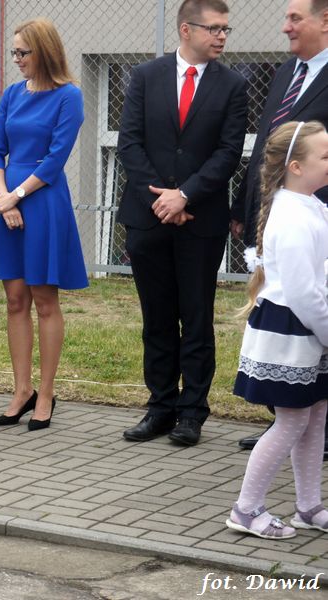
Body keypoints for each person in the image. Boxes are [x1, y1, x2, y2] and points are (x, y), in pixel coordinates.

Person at [117, 0, 248, 446]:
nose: (222, 36)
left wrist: (185, 195)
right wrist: (161, 200)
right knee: (156, 317)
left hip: (199, 219)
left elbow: (228, 152)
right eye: (214, 28)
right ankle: (160, 408)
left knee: (196, 317)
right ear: (186, 29)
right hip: (148, 216)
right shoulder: (145, 76)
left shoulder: (232, 85)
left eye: (226, 29)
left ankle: (192, 412)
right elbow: (129, 143)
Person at [0, 18, 88, 432]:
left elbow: (56, 159)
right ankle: (21, 390)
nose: (17, 59)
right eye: (14, 52)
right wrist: (2, 197)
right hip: (6, 200)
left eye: (23, 52)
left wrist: (17, 195)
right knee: (15, 300)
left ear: (45, 51)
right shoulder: (11, 94)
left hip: (42, 201)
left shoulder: (69, 96)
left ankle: (45, 393)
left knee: (44, 300)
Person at [230, 0, 328, 454]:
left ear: (324, 20)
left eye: (295, 18)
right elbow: (268, 146)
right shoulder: (288, 72)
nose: (285, 26)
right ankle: (287, 418)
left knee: (312, 307)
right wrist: (243, 204)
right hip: (276, 214)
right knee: (282, 312)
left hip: (315, 220)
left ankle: (314, 429)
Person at [227, 120, 328, 540]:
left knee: (315, 416)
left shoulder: (311, 206)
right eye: (325, 155)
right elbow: (304, 293)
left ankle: (308, 506)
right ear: (296, 167)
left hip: (309, 327)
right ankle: (246, 509)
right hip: (292, 329)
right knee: (291, 421)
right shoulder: (292, 218)